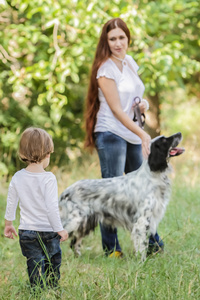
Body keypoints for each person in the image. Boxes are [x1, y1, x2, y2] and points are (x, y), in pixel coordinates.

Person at [84, 18, 164, 258]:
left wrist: (143, 106)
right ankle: (112, 250)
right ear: (105, 42)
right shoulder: (105, 70)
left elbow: (133, 99)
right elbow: (117, 110)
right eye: (112, 39)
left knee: (141, 189)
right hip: (111, 134)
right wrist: (143, 134)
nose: (118, 43)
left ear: (128, 38)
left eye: (121, 37)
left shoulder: (129, 62)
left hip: (130, 132)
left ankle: (152, 243)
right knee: (112, 193)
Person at [4, 127, 68, 288]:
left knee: (34, 262)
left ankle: (36, 289)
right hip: (48, 230)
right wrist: (59, 228)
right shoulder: (49, 178)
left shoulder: (18, 177)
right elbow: (51, 207)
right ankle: (52, 286)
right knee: (53, 259)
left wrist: (8, 224)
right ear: (47, 154)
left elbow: (11, 202)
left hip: (27, 231)